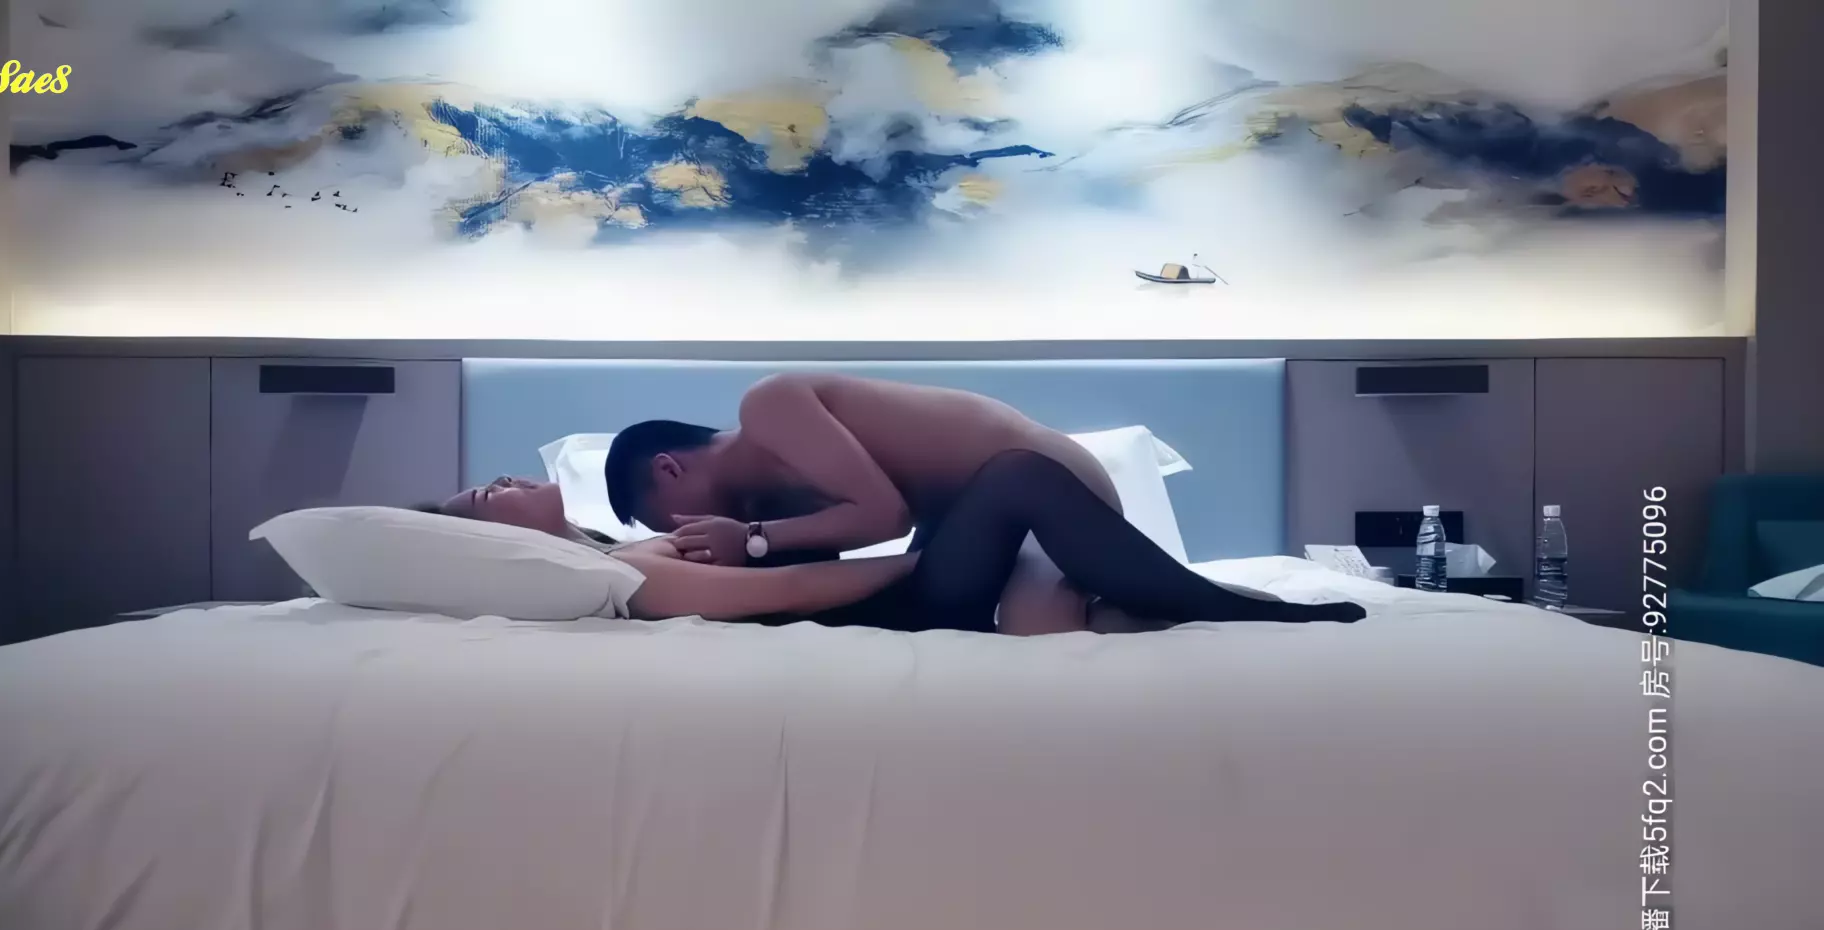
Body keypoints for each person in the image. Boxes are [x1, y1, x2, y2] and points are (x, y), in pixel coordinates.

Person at [427, 453, 1365, 632]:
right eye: (485, 497)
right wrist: (926, 555)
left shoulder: (608, 551)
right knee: (1018, 477)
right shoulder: (626, 568)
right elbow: (787, 594)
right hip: (894, 614)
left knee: (982, 481)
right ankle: (1221, 607)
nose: (502, 481)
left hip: (894, 597)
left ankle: (1131, 601)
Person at [600, 373, 1127, 634]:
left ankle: (1149, 614)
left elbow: (884, 516)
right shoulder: (773, 501)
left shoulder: (769, 407)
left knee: (1036, 631)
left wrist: (752, 539)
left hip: (1050, 487)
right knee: (946, 620)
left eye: (669, 521)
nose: (685, 532)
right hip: (969, 520)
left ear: (669, 468)